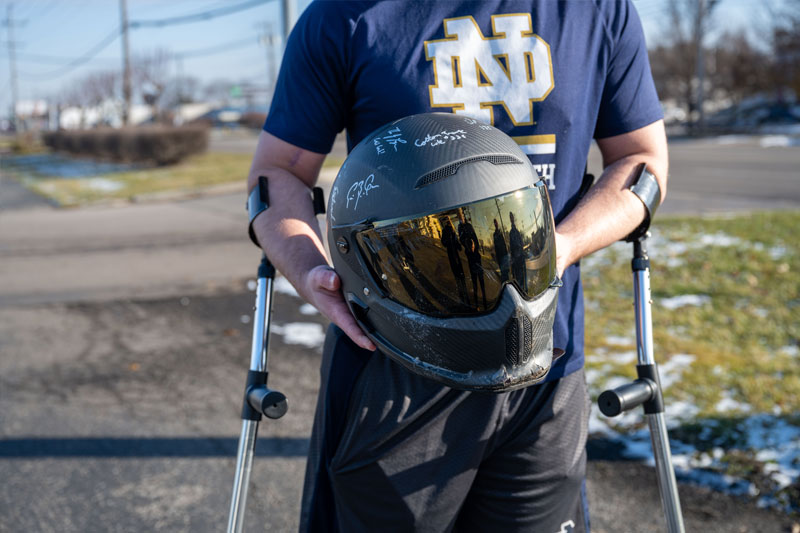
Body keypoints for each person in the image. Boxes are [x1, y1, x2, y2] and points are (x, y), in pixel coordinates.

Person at [246, 1, 668, 531]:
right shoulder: (345, 15)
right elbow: (277, 172)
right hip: (396, 360)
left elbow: (642, 160)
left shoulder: (595, 9)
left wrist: (562, 244)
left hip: (546, 352)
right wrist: (310, 271)